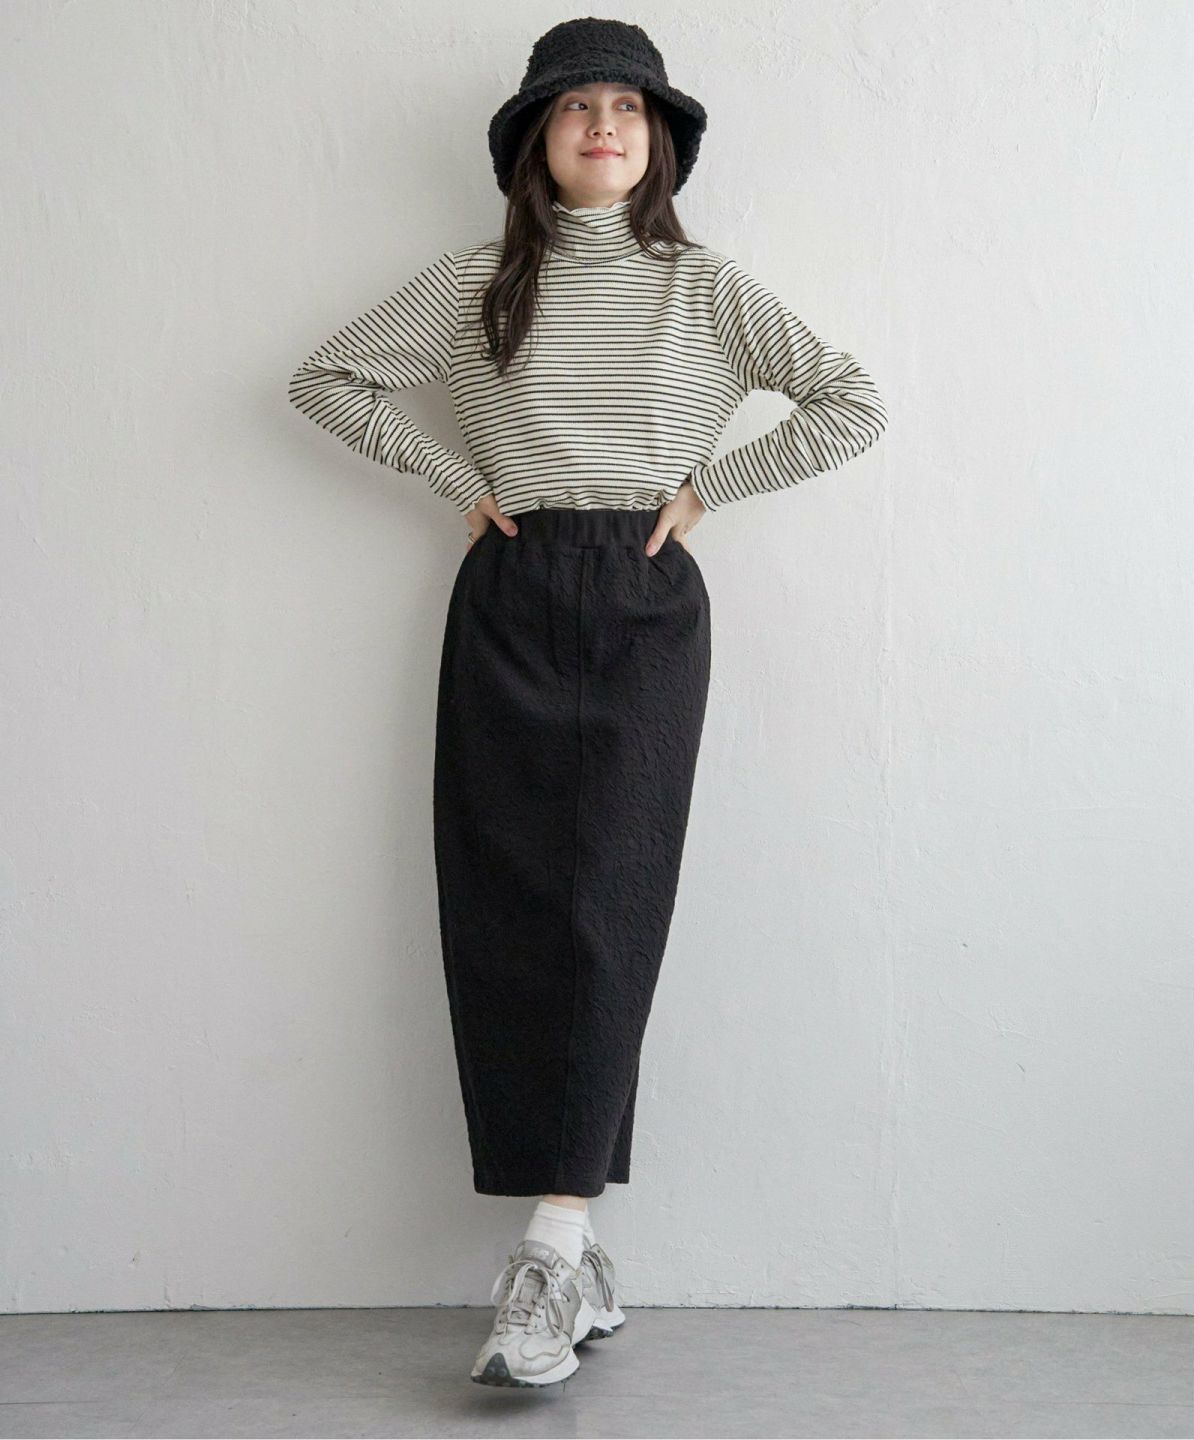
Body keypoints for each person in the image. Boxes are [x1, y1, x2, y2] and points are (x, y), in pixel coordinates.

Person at [286, 17, 888, 1390]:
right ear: (535, 142)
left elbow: (848, 400)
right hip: (509, 584)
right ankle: (573, 1248)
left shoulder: (703, 286)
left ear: (658, 138)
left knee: (609, 897)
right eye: (575, 109)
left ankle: (553, 1246)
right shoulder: (479, 280)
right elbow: (326, 380)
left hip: (643, 594)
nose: (603, 126)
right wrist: (457, 484)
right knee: (506, 898)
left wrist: (709, 489)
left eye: (626, 106)